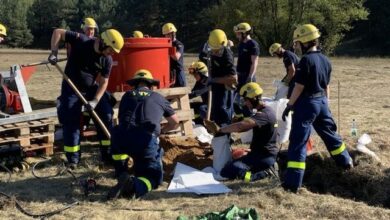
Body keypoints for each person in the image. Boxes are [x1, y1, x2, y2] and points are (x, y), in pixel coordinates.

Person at [281, 24, 353, 192]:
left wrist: (289, 105)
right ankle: (346, 161)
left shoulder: (306, 60)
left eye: (298, 43)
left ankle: (292, 183)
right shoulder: (325, 60)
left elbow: (298, 86)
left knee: (299, 141)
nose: (296, 47)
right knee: (330, 135)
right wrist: (325, 104)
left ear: (305, 42)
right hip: (322, 102)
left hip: (307, 104)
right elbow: (327, 85)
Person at [48, 28, 124, 169]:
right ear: (103, 42)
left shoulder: (107, 60)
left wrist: (95, 101)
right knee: (71, 120)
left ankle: (107, 156)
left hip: (91, 89)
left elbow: (104, 82)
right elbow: (58, 32)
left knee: (106, 114)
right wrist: (54, 53)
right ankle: (73, 160)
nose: (111, 53)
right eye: (111, 49)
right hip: (71, 88)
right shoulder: (82, 41)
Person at [108, 69, 179, 199]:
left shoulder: (127, 95)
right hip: (144, 140)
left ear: (134, 85)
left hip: (120, 137)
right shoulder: (158, 98)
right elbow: (175, 122)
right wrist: (162, 131)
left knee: (122, 149)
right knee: (153, 177)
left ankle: (121, 174)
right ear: (151, 85)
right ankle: (134, 185)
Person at [205, 82, 279, 182]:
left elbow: (241, 126)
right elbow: (245, 128)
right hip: (261, 154)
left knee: (229, 170)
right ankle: (260, 170)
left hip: (263, 157)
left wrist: (221, 130)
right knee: (235, 163)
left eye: (246, 100)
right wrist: (231, 126)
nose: (245, 103)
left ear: (254, 99)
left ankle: (263, 174)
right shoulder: (266, 111)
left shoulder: (263, 115)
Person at [207, 29, 238, 127]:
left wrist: (213, 80)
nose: (214, 52)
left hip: (225, 89)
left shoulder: (227, 56)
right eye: (213, 49)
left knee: (223, 112)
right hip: (216, 88)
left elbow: (233, 78)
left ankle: (226, 134)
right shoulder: (212, 46)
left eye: (216, 50)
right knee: (216, 111)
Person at [233, 23, 260, 119]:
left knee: (247, 102)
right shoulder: (241, 44)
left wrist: (250, 77)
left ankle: (250, 121)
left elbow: (254, 62)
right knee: (235, 101)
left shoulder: (253, 44)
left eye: (238, 33)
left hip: (247, 77)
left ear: (244, 33)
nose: (237, 36)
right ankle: (240, 119)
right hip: (239, 76)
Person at [162, 23, 186, 87]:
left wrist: (168, 48)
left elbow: (176, 57)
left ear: (173, 34)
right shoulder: (165, 44)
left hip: (178, 72)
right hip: (169, 72)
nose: (166, 36)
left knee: (181, 89)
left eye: (167, 34)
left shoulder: (179, 44)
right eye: (165, 34)